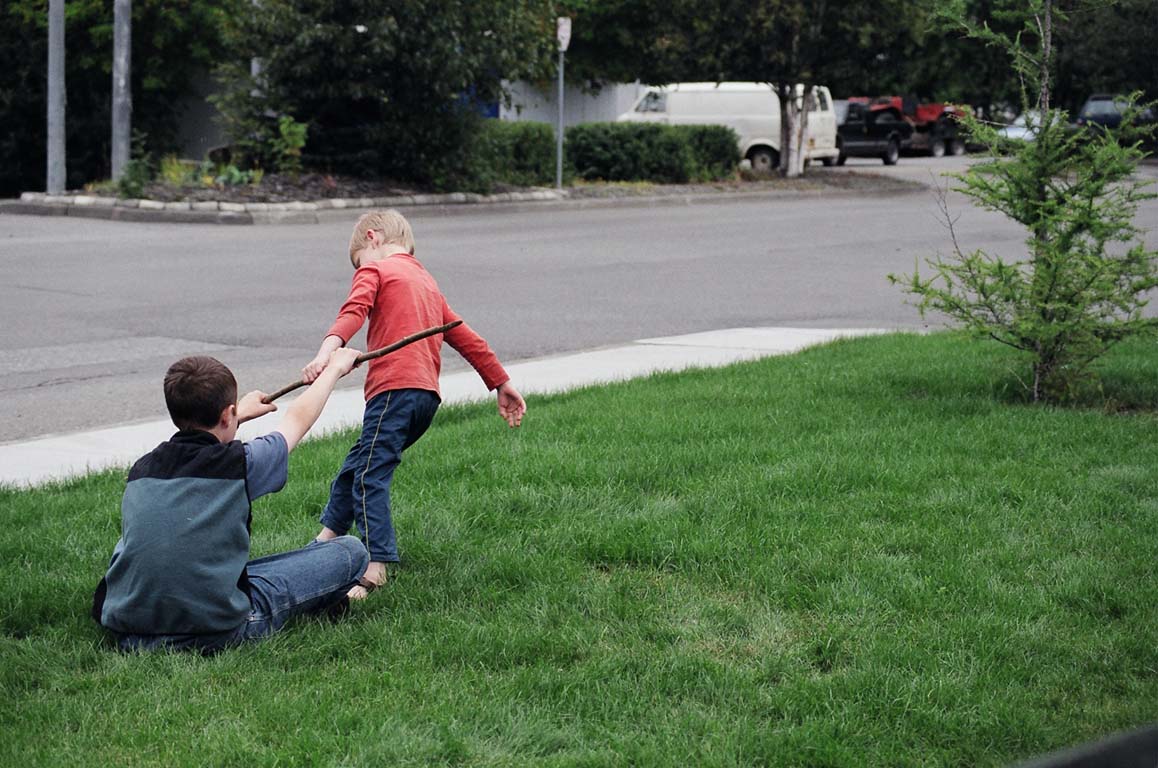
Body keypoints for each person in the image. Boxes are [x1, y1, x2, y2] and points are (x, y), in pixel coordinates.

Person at [301, 209, 526, 599]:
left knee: (370, 474)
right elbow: (464, 336)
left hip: (392, 392)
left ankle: (375, 566)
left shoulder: (377, 271)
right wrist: (500, 382)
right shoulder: (425, 280)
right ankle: (325, 540)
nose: (360, 269)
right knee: (357, 464)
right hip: (424, 400)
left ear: (372, 238)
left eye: (359, 262)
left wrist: (327, 352)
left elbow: (353, 310)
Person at [92, 348, 369, 653]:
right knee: (349, 551)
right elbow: (296, 420)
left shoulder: (141, 470)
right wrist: (334, 370)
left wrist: (239, 415)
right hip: (215, 628)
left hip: (130, 627)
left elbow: (205, 448)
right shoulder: (241, 465)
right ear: (227, 414)